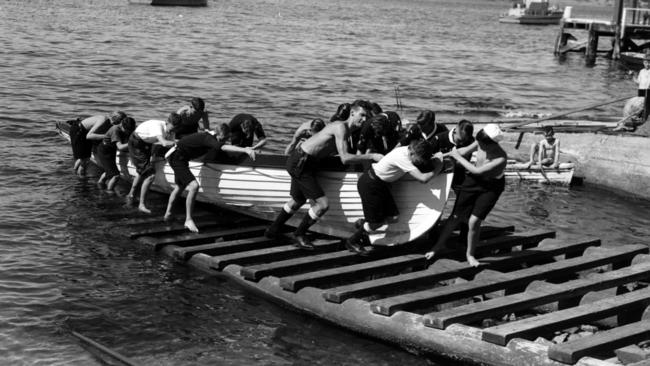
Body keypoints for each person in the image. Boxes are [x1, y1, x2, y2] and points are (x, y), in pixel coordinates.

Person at [264, 104, 383, 249]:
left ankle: (272, 230)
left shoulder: (346, 130)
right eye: (362, 115)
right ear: (352, 113)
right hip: (302, 162)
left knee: (297, 200)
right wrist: (371, 156)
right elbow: (344, 158)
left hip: (305, 161)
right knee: (323, 204)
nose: (364, 119)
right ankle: (299, 234)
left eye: (366, 117)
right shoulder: (341, 127)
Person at [425, 124, 507, 267]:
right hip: (473, 181)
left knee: (474, 221)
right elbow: (463, 151)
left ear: (493, 143)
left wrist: (456, 156)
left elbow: (477, 171)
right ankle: (437, 247)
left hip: (491, 187)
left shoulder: (501, 158)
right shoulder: (481, 141)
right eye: (479, 144)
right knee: (456, 216)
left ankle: (470, 255)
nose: (480, 147)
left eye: (482, 146)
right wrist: (443, 155)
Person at [346, 140, 444, 255]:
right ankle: (352, 241)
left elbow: (420, 159)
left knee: (393, 218)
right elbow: (423, 179)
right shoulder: (403, 158)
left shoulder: (409, 149)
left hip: (380, 184)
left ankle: (363, 225)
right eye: (419, 159)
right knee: (376, 224)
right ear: (412, 153)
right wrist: (439, 166)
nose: (419, 162)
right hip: (371, 185)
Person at [163, 124, 256, 232]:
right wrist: (245, 150)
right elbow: (222, 147)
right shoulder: (208, 138)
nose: (225, 140)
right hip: (177, 157)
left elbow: (218, 148)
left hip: (180, 157)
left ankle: (168, 214)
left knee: (180, 186)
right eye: (224, 138)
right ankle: (188, 220)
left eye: (227, 138)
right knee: (194, 186)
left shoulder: (210, 137)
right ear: (218, 133)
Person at [126, 113, 179, 213]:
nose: (172, 132)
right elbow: (164, 142)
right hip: (136, 143)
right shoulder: (158, 126)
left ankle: (131, 194)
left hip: (147, 143)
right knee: (150, 175)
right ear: (167, 123)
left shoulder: (172, 131)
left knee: (142, 170)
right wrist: (180, 143)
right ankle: (141, 205)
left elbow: (170, 146)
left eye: (175, 130)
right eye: (171, 129)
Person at [69, 111, 127, 176]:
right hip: (78, 131)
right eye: (120, 122)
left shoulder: (110, 122)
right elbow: (89, 136)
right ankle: (81, 179)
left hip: (85, 131)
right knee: (85, 160)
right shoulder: (103, 121)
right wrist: (107, 136)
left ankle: (74, 172)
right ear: (116, 120)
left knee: (84, 157)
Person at [96, 117, 136, 192]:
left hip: (111, 150)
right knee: (116, 175)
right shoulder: (115, 130)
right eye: (127, 130)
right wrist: (131, 143)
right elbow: (120, 147)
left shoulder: (129, 127)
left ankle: (100, 183)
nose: (128, 132)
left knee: (109, 170)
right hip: (105, 151)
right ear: (122, 126)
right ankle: (109, 191)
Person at [634, 52, 650, 121]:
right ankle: (639, 117)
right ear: (643, 62)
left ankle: (644, 119)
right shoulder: (641, 71)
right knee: (639, 106)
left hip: (648, 92)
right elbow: (638, 82)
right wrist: (633, 76)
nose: (648, 64)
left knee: (645, 106)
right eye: (646, 62)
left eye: (649, 62)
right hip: (641, 91)